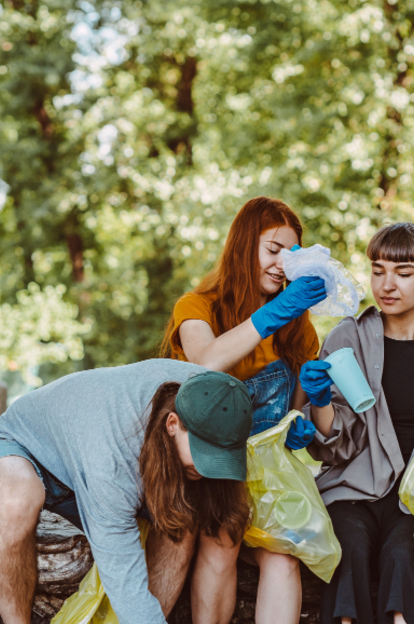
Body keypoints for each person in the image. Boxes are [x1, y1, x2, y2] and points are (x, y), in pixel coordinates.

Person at [0, 361, 254, 624]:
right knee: (19, 500)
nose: (206, 471)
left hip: (91, 456)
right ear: (173, 424)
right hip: (23, 446)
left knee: (182, 518)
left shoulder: (224, 399)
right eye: (202, 456)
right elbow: (123, 576)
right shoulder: (111, 457)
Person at [301, 222, 414, 624]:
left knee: (404, 552)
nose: (387, 284)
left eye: (404, 273)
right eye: (378, 269)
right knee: (348, 550)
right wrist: (319, 403)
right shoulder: (347, 338)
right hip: (351, 490)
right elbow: (337, 447)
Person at [163, 196, 326, 624]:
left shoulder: (300, 327)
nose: (281, 265)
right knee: (223, 539)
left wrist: (303, 416)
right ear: (242, 246)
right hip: (203, 466)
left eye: (291, 256)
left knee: (284, 558)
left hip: (266, 473)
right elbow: (205, 362)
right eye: (272, 250)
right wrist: (273, 314)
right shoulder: (196, 306)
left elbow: (292, 408)